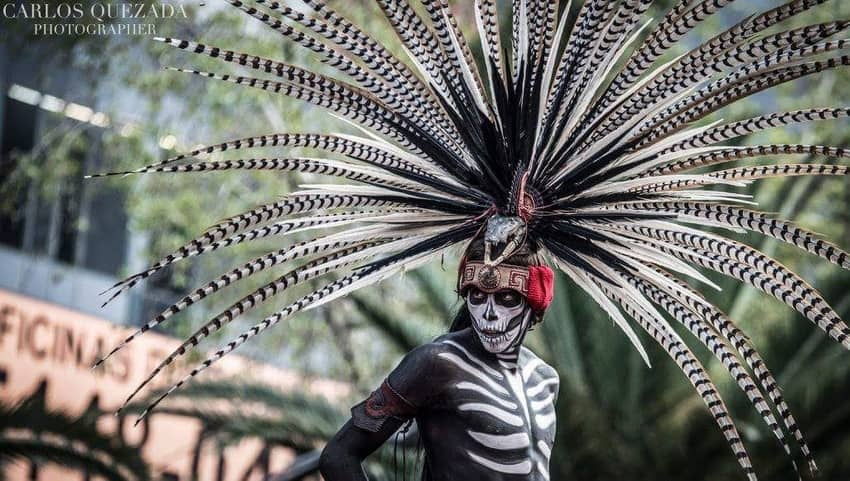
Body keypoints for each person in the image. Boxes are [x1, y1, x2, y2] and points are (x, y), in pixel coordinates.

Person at [319, 239, 558, 480]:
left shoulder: (544, 378)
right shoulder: (437, 363)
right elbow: (338, 456)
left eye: (506, 298)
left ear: (535, 302)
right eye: (477, 295)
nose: (489, 312)